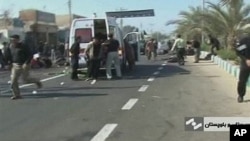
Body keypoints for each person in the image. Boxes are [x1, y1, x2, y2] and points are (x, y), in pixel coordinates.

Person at [6, 35, 42, 100]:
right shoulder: (10, 46)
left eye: (14, 40)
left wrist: (26, 63)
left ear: (18, 40)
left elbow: (30, 55)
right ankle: (17, 95)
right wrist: (9, 63)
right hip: (15, 65)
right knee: (13, 81)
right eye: (11, 40)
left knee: (25, 80)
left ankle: (36, 81)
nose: (13, 41)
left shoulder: (23, 46)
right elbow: (9, 56)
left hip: (24, 65)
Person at [235, 34, 250, 103]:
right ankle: (241, 95)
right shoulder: (245, 41)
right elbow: (238, 51)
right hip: (246, 63)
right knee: (242, 81)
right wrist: (246, 59)